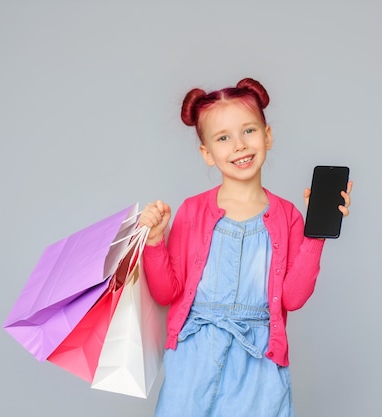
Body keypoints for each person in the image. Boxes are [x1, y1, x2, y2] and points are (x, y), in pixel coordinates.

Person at [138, 78, 352, 417]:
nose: (239, 145)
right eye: (223, 138)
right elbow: (166, 293)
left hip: (260, 359)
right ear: (207, 153)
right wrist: (153, 242)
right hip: (195, 356)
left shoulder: (288, 216)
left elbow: (293, 298)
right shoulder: (192, 211)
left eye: (249, 131)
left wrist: (316, 235)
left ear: (267, 136)